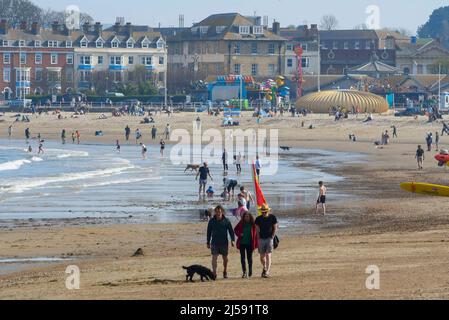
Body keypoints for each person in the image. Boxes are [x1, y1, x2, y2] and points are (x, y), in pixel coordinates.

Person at [207, 205, 235, 279]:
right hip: (214, 243)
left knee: (225, 258)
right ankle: (214, 273)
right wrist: (207, 242)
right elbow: (209, 232)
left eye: (219, 212)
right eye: (216, 212)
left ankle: (225, 271)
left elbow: (231, 231)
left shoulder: (226, 220)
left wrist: (232, 240)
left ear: (222, 212)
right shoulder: (211, 221)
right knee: (214, 258)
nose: (218, 213)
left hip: (224, 243)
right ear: (215, 212)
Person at [255, 205, 278, 278]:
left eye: (265, 212)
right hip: (261, 239)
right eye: (262, 212)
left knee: (268, 255)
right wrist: (258, 237)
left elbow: (275, 227)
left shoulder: (272, 217)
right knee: (262, 257)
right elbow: (256, 228)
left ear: (268, 211)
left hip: (269, 238)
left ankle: (267, 271)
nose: (263, 213)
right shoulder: (258, 219)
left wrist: (272, 236)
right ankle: (264, 267)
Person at [234, 212, 258, 278]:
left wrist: (256, 243)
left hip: (250, 244)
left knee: (249, 258)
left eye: (248, 216)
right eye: (245, 216)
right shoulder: (241, 223)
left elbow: (256, 234)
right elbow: (235, 229)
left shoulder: (253, 224)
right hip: (242, 243)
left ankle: (250, 270)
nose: (247, 217)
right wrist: (239, 234)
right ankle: (244, 272)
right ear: (244, 217)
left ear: (250, 217)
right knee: (242, 258)